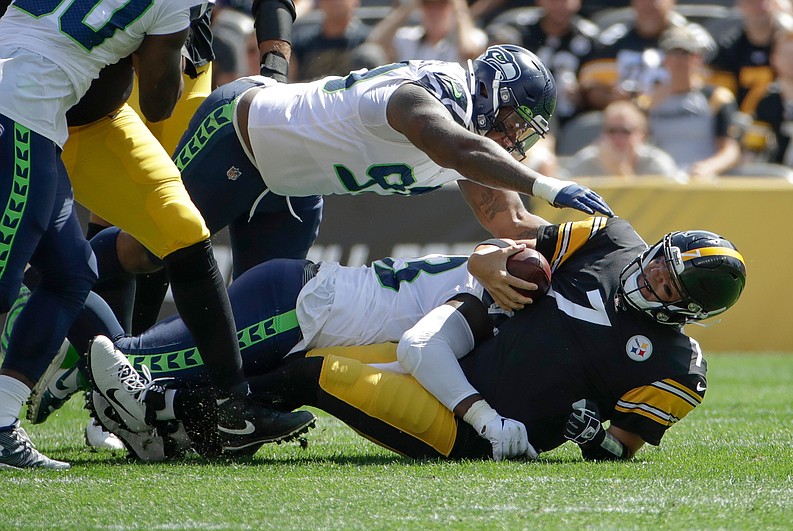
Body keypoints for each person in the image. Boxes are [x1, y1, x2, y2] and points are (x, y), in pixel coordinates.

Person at [84, 214, 747, 462]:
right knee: (298, 355)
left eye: (669, 284)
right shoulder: (608, 240)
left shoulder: (676, 365)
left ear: (686, 311)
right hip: (460, 363)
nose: (653, 275)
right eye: (661, 260)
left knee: (314, 374)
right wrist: (492, 265)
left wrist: (588, 432)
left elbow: (620, 448)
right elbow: (504, 249)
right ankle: (164, 413)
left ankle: (163, 411)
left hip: (465, 432)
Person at [97, 45, 613, 311]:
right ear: (489, 92)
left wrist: (603, 246)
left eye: (525, 132)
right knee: (152, 250)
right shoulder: (430, 96)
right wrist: (548, 184)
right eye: (514, 121)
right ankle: (56, 281)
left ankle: (185, 396)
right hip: (244, 134)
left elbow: (513, 221)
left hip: (296, 184)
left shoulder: (475, 142)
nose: (514, 138)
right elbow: (456, 147)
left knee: (258, 305)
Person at [36, 244, 536, 458]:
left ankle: (78, 369)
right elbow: (419, 350)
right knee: (133, 359)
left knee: (163, 381)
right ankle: (48, 267)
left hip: (304, 314)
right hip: (299, 308)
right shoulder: (490, 278)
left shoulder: (494, 276)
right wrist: (486, 419)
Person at [0, 0, 215, 470]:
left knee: (71, 274)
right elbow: (159, 103)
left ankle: (0, 423)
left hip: (32, 107)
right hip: (20, 108)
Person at [646, 25, 741, 180]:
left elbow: (730, 150)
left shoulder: (716, 98)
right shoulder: (650, 100)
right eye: (672, 53)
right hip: (661, 179)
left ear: (697, 58)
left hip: (703, 180)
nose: (678, 60)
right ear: (664, 60)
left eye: (684, 54)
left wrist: (709, 167)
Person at [577, 0, 708, 111]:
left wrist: (662, 96)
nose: (649, 4)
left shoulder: (694, 40)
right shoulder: (611, 41)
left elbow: (710, 85)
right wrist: (613, 99)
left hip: (679, 116)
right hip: (626, 123)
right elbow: (591, 85)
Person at [494, 0, 600, 127]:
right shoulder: (519, 30)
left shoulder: (591, 39)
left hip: (572, 119)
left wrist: (583, 92)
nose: (559, 6)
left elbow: (599, 86)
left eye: (565, 1)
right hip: (524, 114)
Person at [564, 99, 682, 179]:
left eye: (626, 131)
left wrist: (620, 172)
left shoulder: (656, 163)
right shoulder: (587, 161)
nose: (618, 138)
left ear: (642, 135)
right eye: (612, 131)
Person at [367, 0, 488, 67]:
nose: (434, 12)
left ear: (451, 8)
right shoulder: (409, 37)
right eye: (428, 5)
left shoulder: (467, 37)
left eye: (441, 5)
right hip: (412, 104)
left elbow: (469, 50)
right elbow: (375, 41)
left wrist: (459, 6)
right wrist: (409, 7)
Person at [744, 27, 793, 167]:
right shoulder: (764, 99)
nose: (791, 61)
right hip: (775, 179)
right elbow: (753, 147)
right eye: (786, 55)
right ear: (774, 59)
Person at [289, 0, 380, 82]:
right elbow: (291, 82)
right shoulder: (301, 41)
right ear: (320, 2)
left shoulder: (367, 40)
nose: (336, 2)